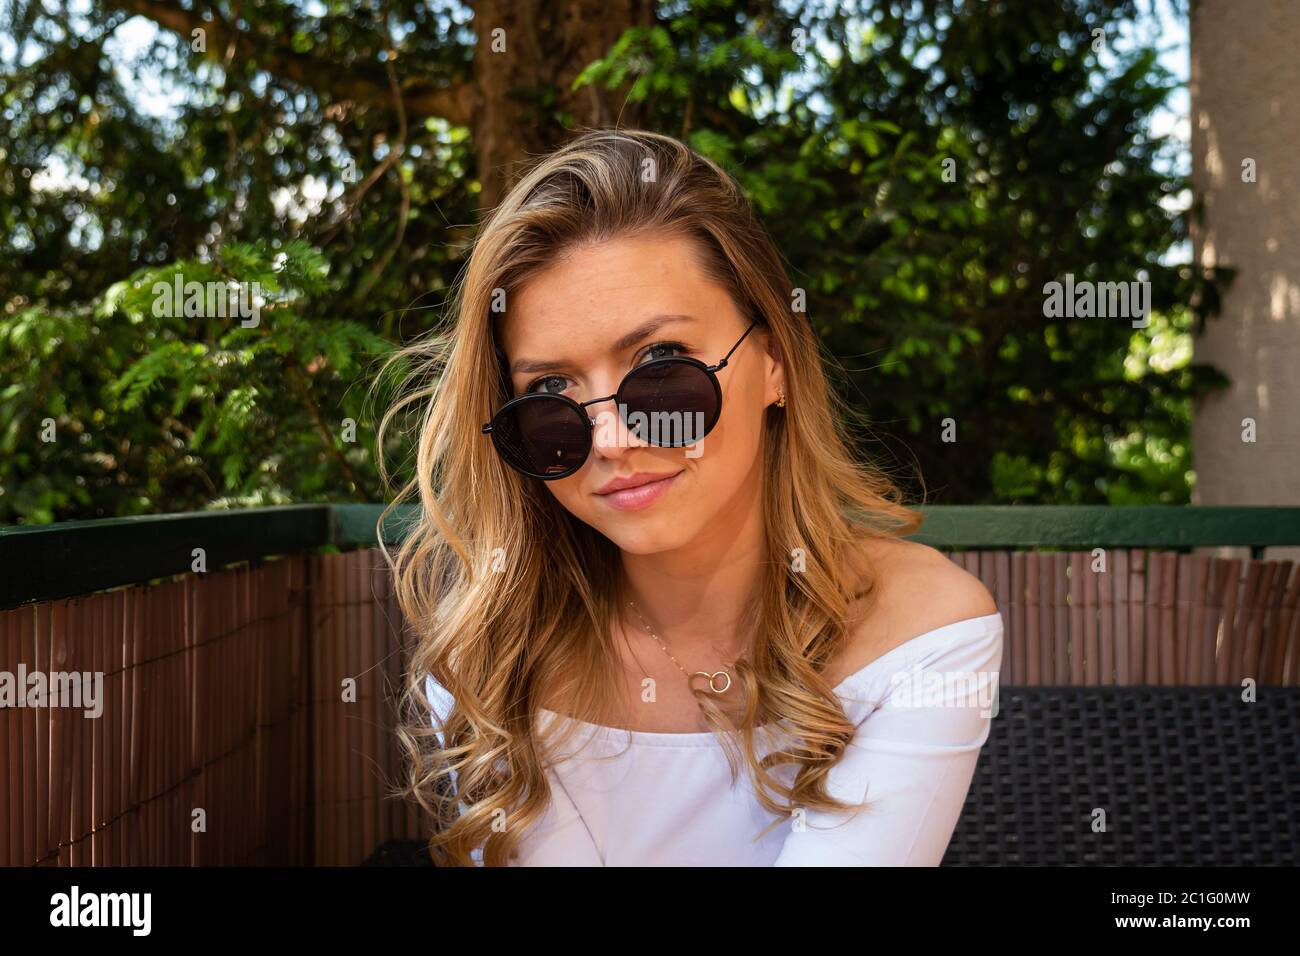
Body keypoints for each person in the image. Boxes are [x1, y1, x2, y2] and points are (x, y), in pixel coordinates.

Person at [379, 128, 1003, 866]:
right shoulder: (488, 656)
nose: (609, 438)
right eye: (549, 392)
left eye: (662, 366)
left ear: (775, 364)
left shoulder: (922, 632)